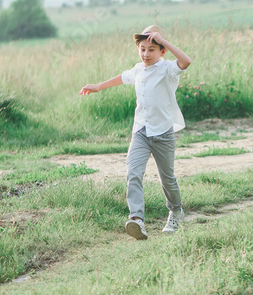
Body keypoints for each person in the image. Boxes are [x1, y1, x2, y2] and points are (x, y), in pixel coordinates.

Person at [79, 25, 192, 240]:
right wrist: (97, 87)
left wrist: (164, 39)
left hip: (163, 133)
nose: (146, 54)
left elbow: (186, 62)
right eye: (142, 49)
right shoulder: (138, 70)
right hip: (140, 131)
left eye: (151, 49)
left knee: (167, 178)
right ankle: (137, 220)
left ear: (162, 51)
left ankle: (176, 211)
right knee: (133, 172)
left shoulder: (168, 69)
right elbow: (121, 78)